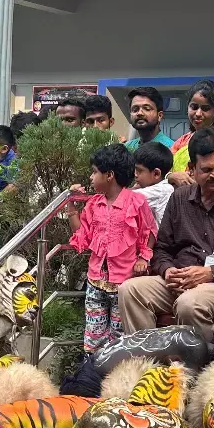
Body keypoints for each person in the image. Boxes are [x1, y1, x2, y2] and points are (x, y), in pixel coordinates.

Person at [118, 129, 214, 339]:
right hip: (179, 280)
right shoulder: (179, 198)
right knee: (129, 290)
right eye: (207, 169)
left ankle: (197, 360)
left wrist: (211, 272)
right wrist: (168, 270)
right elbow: (162, 248)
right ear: (191, 168)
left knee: (189, 303)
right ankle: (150, 357)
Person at [68, 143, 158, 354]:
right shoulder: (94, 204)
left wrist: (143, 258)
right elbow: (82, 234)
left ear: (109, 175)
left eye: (94, 172)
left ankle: (115, 369)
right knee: (93, 333)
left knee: (119, 335)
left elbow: (149, 231)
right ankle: (92, 368)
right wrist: (71, 206)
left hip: (124, 282)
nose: (91, 177)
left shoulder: (136, 202)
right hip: (95, 281)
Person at [167, 81, 214, 187]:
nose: (198, 113)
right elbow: (165, 169)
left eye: (205, 108)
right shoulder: (182, 140)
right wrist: (171, 176)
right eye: (194, 107)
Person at [132, 141, 174, 223]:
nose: (135, 174)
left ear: (156, 173)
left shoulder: (163, 190)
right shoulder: (152, 187)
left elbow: (123, 198)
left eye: (139, 170)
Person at [125, 87, 174, 151]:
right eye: (135, 109)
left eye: (147, 109)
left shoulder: (171, 149)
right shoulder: (127, 148)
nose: (140, 113)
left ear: (159, 116)